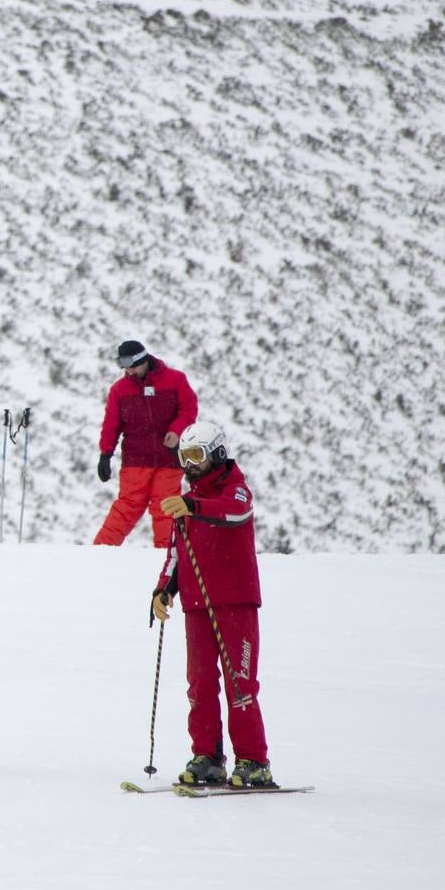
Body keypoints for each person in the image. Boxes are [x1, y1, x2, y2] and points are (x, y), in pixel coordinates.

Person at [149, 419, 275, 789]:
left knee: (240, 684)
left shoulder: (235, 491)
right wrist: (163, 590)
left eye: (197, 456)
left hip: (235, 602)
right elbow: (176, 552)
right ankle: (208, 756)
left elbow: (232, 512)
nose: (189, 464)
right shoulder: (186, 503)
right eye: (184, 456)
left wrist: (191, 504)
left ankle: (253, 760)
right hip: (196, 604)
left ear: (216, 454)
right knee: (200, 684)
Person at [93, 338, 198, 547]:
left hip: (169, 459)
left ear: (144, 361)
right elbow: (111, 425)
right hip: (135, 461)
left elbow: (188, 409)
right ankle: (100, 551)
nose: (128, 372)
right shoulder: (119, 390)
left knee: (166, 509)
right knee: (126, 508)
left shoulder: (175, 380)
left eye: (132, 367)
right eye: (124, 368)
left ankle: (167, 556)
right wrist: (105, 455)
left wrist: (176, 432)